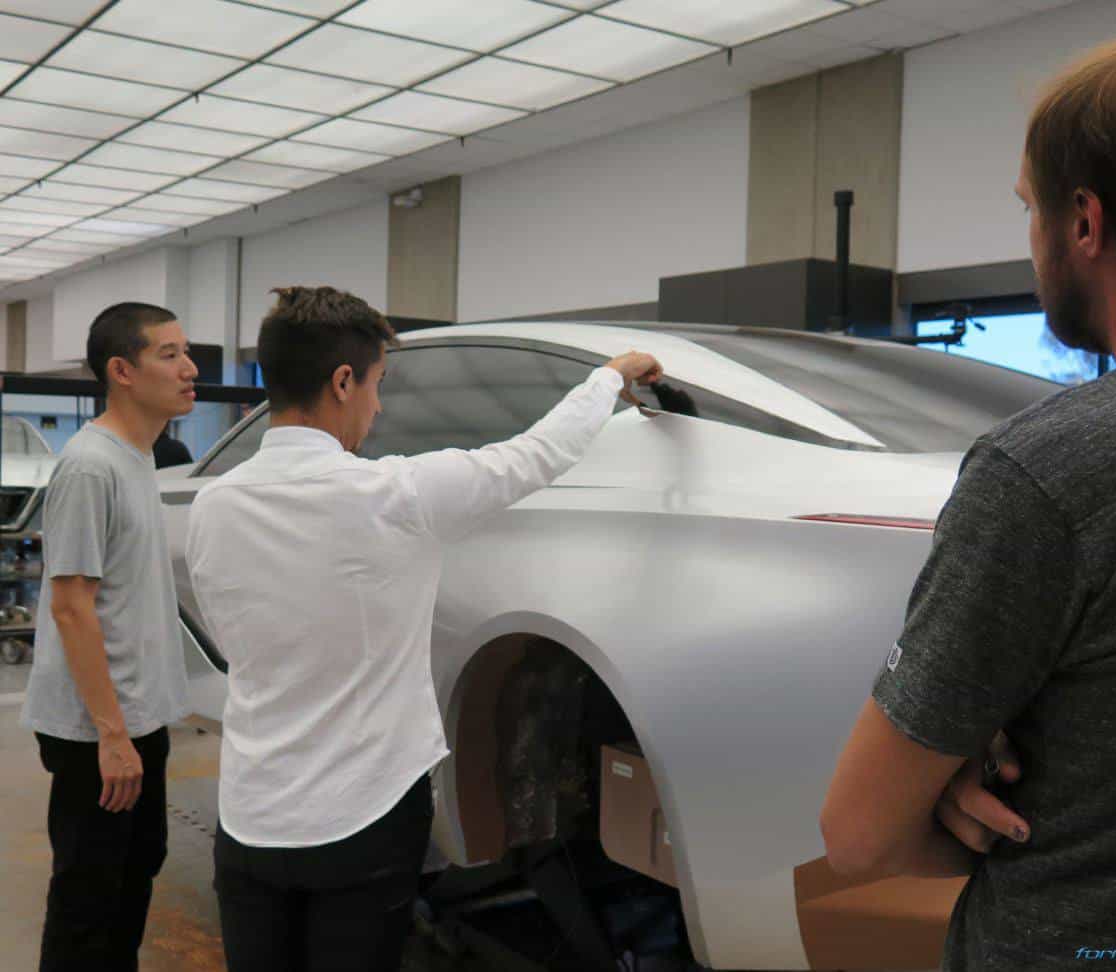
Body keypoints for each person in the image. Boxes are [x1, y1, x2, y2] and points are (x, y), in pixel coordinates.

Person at [820, 32, 1116, 969]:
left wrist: (958, 795)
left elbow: (860, 834)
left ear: (1084, 224)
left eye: (1030, 210)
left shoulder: (1046, 471)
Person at [185, 286, 662, 972]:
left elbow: (241, 640)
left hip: (249, 819)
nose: (377, 408)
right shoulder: (395, 496)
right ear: (343, 381)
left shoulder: (214, 506)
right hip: (365, 820)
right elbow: (535, 455)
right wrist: (609, 376)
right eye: (377, 385)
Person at [20, 303, 199, 971]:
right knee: (89, 902)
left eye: (187, 352)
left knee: (132, 879)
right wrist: (112, 735)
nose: (191, 368)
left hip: (133, 717)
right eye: (170, 354)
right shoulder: (91, 466)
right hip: (96, 730)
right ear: (122, 370)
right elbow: (71, 607)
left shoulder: (136, 459)